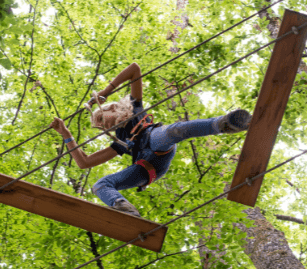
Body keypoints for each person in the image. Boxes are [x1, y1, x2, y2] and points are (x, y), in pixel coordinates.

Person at [50, 63, 251, 217]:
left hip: (156, 142)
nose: (103, 127)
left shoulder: (134, 107)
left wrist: (104, 92)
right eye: (100, 126)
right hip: (146, 167)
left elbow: (134, 69)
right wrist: (67, 135)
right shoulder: (119, 141)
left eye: (101, 119)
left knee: (173, 131)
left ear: (111, 108)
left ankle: (224, 124)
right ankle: (123, 207)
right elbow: (84, 162)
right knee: (100, 185)